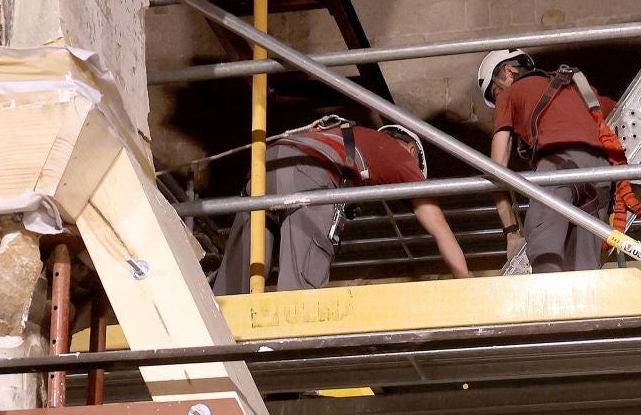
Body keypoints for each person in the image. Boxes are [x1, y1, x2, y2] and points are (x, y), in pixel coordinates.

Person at [213, 118, 470, 294]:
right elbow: (440, 228)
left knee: (241, 274)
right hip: (307, 170)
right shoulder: (400, 156)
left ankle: (213, 330)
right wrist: (467, 285)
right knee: (301, 288)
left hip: (265, 164)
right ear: (411, 150)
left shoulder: (353, 139)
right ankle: (292, 348)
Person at [478, 49, 617, 273]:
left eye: (495, 91)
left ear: (509, 71)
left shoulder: (509, 93)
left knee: (545, 254)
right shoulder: (581, 89)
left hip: (558, 166)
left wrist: (512, 232)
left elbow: (496, 169)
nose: (498, 98)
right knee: (586, 271)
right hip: (600, 175)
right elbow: (619, 113)